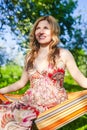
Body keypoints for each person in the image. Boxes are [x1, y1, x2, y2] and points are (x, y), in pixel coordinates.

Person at [0, 15, 87, 130]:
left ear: (53, 31)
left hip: (53, 104)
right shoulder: (30, 56)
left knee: (17, 116)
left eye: (45, 28)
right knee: (4, 112)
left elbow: (78, 77)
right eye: (37, 28)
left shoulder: (63, 54)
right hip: (29, 100)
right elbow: (21, 83)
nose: (40, 31)